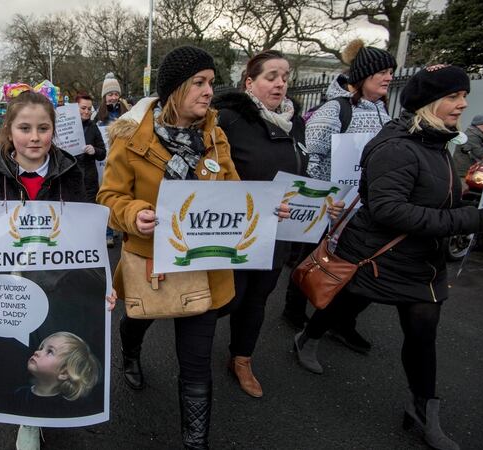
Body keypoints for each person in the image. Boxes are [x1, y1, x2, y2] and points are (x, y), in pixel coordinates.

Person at [294, 65, 483, 450]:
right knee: (343, 301)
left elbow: (431, 196)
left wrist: (467, 201)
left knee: (421, 335)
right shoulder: (398, 147)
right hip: (377, 255)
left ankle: (422, 411)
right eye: (453, 97)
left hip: (422, 263)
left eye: (463, 95)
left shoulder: (437, 142)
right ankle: (307, 337)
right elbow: (388, 210)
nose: (463, 104)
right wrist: (468, 218)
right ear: (427, 104)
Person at [98, 46, 253, 449]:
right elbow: (108, 197)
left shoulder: (215, 136)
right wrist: (133, 214)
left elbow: (235, 192)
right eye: (199, 83)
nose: (208, 92)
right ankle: (129, 352)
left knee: (197, 363)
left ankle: (195, 443)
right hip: (151, 261)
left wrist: (267, 211)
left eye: (211, 83)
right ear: (175, 89)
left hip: (205, 263)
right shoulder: (130, 138)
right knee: (139, 319)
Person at [0, 90, 115, 450]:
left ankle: (51, 411)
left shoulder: (71, 170)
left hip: (59, 284)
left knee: (51, 346)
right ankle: (29, 420)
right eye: (25, 128)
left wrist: (104, 284)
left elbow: (87, 233)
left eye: (43, 128)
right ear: (9, 131)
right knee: (17, 350)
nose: (34, 137)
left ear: (54, 130)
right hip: (9, 282)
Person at [210, 50, 343, 399]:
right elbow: (209, 176)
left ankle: (241, 359)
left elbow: (299, 177)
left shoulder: (294, 120)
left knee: (257, 300)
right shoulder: (229, 118)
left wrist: (320, 206)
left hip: (277, 233)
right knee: (228, 300)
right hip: (233, 231)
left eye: (285, 76)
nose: (281, 83)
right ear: (249, 82)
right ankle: (194, 353)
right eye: (271, 76)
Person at [284, 40, 397, 352]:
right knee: (311, 254)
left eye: (391, 72)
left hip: (362, 204)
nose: (388, 77)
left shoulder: (383, 112)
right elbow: (313, 153)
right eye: (383, 72)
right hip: (331, 201)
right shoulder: (336, 108)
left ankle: (341, 323)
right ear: (363, 76)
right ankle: (294, 308)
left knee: (353, 263)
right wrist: (325, 198)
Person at [14, 332, 100, 417]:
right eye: (41, 348)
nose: (37, 352)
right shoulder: (20, 395)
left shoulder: (69, 409)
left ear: (64, 373)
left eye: (50, 352)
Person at [95, 73, 130, 248]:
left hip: (122, 161)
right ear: (104, 96)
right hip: (104, 163)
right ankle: (108, 231)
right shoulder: (98, 115)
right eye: (110, 94)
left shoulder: (127, 113)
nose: (113, 97)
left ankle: (124, 229)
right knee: (107, 195)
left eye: (116, 94)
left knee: (124, 194)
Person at [74, 94, 106, 203]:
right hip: (71, 180)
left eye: (89, 109)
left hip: (89, 183)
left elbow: (103, 154)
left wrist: (94, 150)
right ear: (75, 107)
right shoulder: (65, 127)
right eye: (83, 108)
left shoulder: (93, 127)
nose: (87, 112)